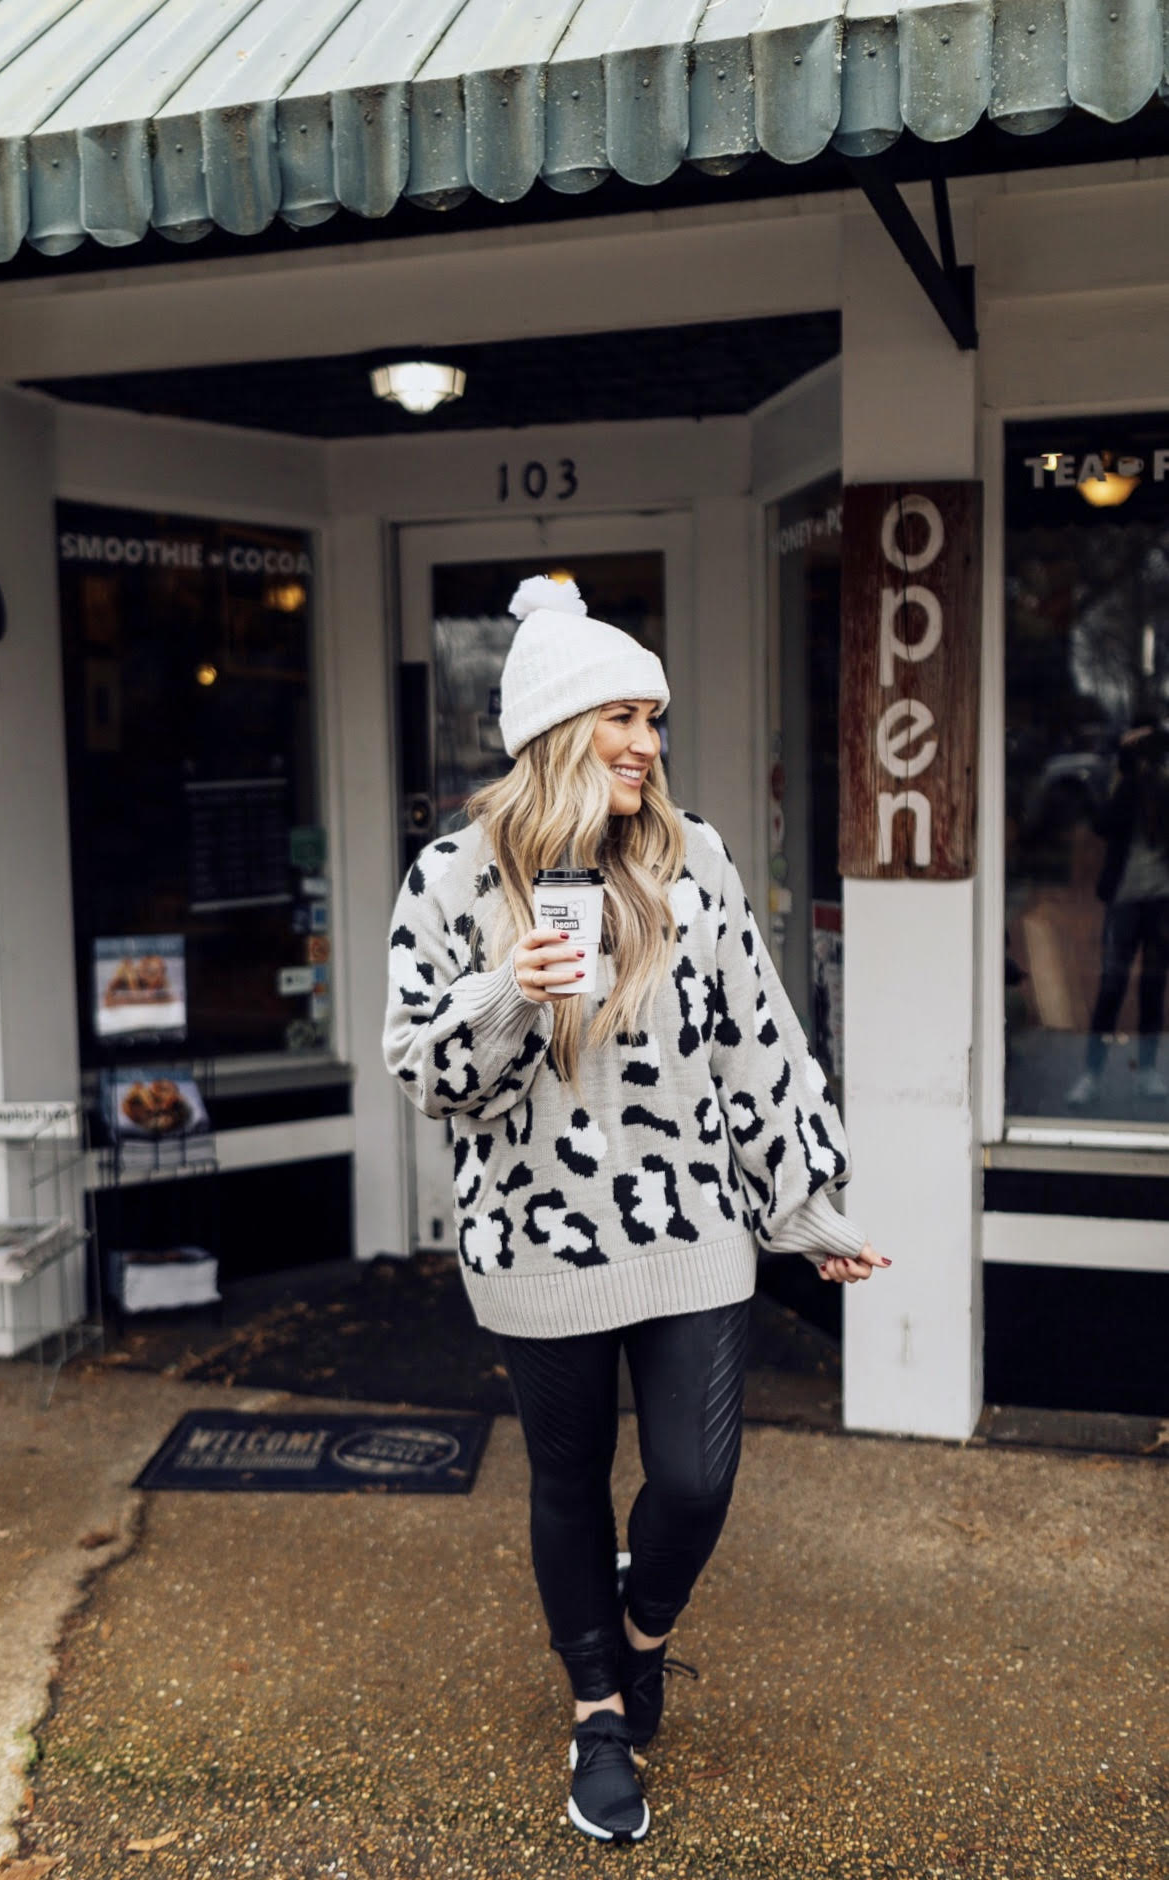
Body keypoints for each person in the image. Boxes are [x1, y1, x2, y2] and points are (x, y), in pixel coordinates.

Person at [382, 576, 889, 1845]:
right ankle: (598, 1711)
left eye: (654, 719)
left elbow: (758, 1043)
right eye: (624, 715)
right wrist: (508, 990)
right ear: (560, 725)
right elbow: (423, 1072)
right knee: (565, 1477)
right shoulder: (450, 877)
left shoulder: (690, 854)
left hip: (689, 1226)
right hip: (533, 1236)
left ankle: (641, 1625)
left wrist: (806, 1204)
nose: (650, 744)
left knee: (694, 1477)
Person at [1067, 720, 1169, 1107]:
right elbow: (1102, 824)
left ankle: (1146, 1072)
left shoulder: (1165, 787)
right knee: (1112, 985)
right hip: (1126, 900)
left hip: (1161, 901)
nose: (1148, 765)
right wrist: (1127, 765)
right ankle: (1091, 1074)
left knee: (1153, 988)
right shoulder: (1126, 791)